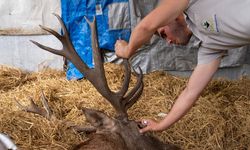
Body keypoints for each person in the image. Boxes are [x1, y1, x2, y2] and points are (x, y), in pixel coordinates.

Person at [115, 0, 250, 133]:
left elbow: (147, 26)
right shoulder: (211, 47)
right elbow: (190, 93)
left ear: (170, 16)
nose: (168, 41)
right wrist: (160, 125)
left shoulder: (190, 3)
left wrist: (127, 51)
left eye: (163, 33)